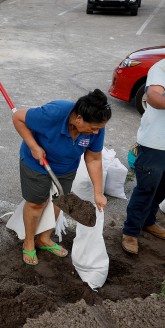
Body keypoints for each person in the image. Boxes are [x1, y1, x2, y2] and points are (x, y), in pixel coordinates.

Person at [12, 90, 111, 266]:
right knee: (37, 203)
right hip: (37, 162)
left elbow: (94, 158)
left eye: (99, 128)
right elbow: (18, 118)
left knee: (60, 200)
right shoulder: (53, 113)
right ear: (79, 119)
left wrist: (98, 192)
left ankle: (44, 238)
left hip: (66, 166)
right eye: (94, 128)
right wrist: (33, 146)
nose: (96, 133)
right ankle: (28, 242)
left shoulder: (96, 129)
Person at [122, 60, 165, 254]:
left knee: (162, 188)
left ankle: (148, 222)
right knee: (146, 189)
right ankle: (130, 232)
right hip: (156, 143)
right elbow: (154, 97)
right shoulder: (160, 68)